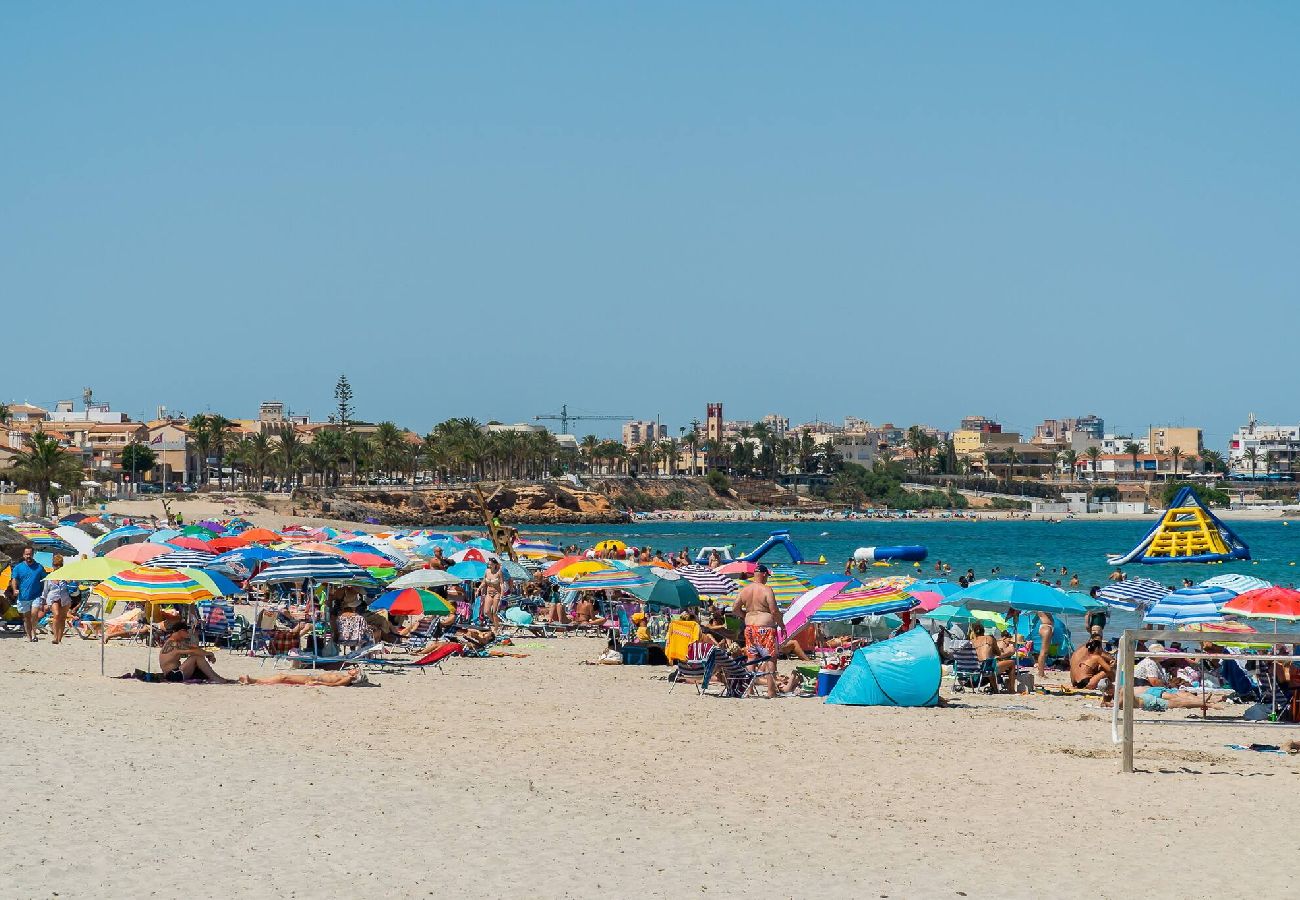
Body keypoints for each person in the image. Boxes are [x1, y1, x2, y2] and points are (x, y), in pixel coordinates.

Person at [731, 564, 781, 699]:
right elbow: (774, 611)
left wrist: (746, 616)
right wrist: (781, 624)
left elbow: (734, 608)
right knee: (770, 658)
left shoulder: (745, 590)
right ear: (764, 574)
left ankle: (749, 690)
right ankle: (771, 692)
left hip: (749, 628)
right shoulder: (767, 590)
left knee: (751, 658)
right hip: (765, 628)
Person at [158, 622, 232, 683]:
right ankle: (217, 679)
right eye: (186, 631)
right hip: (173, 675)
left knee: (198, 658)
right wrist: (209, 654)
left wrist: (207, 654)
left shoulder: (175, 641)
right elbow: (194, 651)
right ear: (181, 631)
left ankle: (216, 678)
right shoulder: (174, 643)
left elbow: (194, 648)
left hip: (175, 673)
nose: (188, 633)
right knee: (196, 657)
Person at [11, 546, 47, 643]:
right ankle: (29, 636)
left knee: (34, 614)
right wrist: (15, 589)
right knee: (26, 618)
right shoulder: (18, 568)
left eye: (30, 554)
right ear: (23, 555)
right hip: (23, 596)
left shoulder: (39, 567)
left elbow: (45, 580)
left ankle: (34, 633)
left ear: (33, 554)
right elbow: (14, 579)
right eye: (27, 554)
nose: (28, 556)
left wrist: (45, 593)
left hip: (36, 595)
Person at [40, 557, 73, 644]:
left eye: (59, 565)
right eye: (55, 565)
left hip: (65, 598)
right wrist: (43, 602)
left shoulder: (66, 576)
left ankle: (59, 638)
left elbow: (74, 586)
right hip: (53, 598)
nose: (57, 567)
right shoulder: (49, 577)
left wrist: (69, 581)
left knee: (62, 618)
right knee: (56, 615)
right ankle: (55, 637)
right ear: (52, 565)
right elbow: (45, 590)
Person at [239, 667, 366, 686]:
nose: (353, 669)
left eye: (356, 670)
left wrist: (320, 683)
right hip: (313, 677)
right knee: (283, 677)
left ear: (356, 676)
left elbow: (335, 685)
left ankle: (254, 681)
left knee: (284, 678)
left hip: (314, 679)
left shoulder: (348, 679)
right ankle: (255, 680)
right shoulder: (345, 675)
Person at [480, 558, 506, 626]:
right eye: (488, 564)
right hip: (489, 593)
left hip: (497, 593)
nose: (489, 565)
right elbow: (484, 582)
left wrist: (502, 594)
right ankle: (496, 623)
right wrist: (479, 589)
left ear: (495, 564)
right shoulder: (486, 571)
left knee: (494, 612)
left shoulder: (499, 572)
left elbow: (501, 583)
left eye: (491, 564)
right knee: (487, 611)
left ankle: (496, 627)